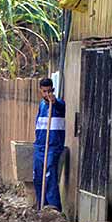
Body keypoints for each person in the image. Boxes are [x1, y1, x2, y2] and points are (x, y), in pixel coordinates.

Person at [33, 78, 66, 211]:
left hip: (52, 147)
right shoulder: (41, 105)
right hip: (40, 146)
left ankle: (54, 210)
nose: (47, 94)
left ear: (52, 90)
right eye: (44, 91)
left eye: (49, 91)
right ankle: (42, 208)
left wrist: (54, 101)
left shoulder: (58, 104)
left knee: (50, 178)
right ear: (40, 91)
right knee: (38, 178)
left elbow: (59, 105)